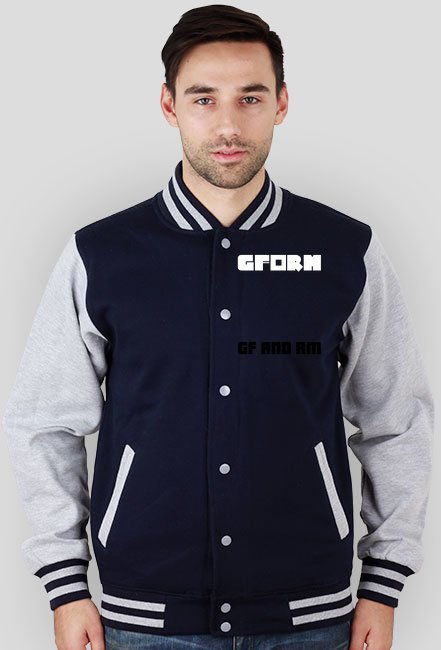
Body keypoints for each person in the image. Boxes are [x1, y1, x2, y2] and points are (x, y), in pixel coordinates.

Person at [2, 4, 434, 650]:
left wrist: (383, 582)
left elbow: (396, 420)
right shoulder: (102, 256)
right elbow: (44, 424)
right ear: (169, 105)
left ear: (281, 103)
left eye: (250, 98)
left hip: (309, 616)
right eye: (203, 99)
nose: (228, 125)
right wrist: (65, 585)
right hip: (144, 617)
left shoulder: (344, 251)